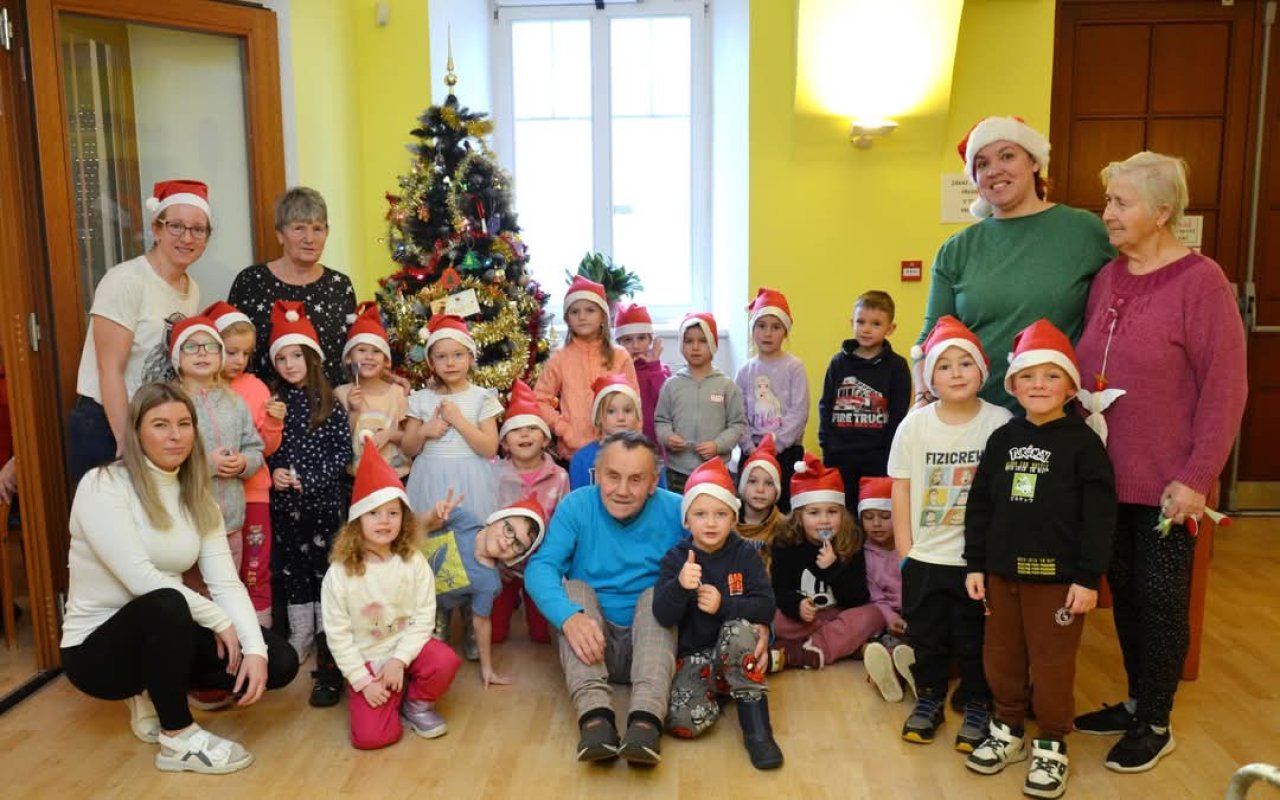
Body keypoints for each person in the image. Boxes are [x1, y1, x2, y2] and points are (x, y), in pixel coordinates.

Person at [1072, 151, 1247, 773]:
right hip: (1107, 479)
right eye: (1108, 201)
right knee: (1125, 591)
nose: (1108, 213)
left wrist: (1197, 478)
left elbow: (1225, 389)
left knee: (1162, 598)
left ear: (1163, 211)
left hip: (1170, 484)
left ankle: (1156, 721)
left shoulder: (1202, 283)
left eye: (1122, 202)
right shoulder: (1107, 277)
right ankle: (1136, 701)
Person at [60, 383, 298, 775]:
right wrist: (219, 620)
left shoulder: (197, 495)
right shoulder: (102, 485)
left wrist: (254, 649)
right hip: (97, 652)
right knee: (167, 602)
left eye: (184, 424)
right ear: (137, 432)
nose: (175, 435)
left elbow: (225, 583)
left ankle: (158, 686)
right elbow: (140, 579)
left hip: (166, 633)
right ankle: (177, 737)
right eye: (160, 424)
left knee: (280, 662)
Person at [962, 320, 1116, 798]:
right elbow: (980, 505)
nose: (1039, 385)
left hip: (1058, 582)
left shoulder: (1084, 444)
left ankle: (1051, 743)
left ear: (1070, 386)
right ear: (1012, 385)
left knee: (1052, 665)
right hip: (1000, 577)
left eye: (1051, 376)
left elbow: (1099, 517)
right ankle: (1007, 728)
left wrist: (1088, 578)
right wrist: (975, 564)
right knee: (1001, 657)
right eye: (1027, 376)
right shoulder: (1002, 439)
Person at [914, 116, 1114, 411]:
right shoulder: (956, 249)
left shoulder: (1083, 231)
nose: (994, 170)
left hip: (1056, 420)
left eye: (1007, 156)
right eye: (982, 163)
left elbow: (1121, 312)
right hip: (975, 419)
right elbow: (930, 339)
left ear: (1033, 161)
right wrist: (922, 399)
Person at [523, 431, 686, 766]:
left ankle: (645, 721)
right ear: (597, 475)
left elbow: (727, 558)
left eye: (636, 479)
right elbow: (541, 568)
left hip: (653, 645)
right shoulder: (576, 506)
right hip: (593, 644)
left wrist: (757, 625)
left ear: (654, 482)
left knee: (657, 593)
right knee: (574, 589)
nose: (622, 490)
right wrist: (569, 617)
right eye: (613, 476)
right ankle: (595, 718)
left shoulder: (678, 510)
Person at [888, 315, 1012, 751]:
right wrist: (905, 551)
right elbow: (900, 487)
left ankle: (978, 703)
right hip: (925, 557)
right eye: (944, 365)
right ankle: (929, 700)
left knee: (975, 637)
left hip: (976, 561)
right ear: (930, 376)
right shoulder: (914, 425)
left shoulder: (1000, 422)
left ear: (983, 370)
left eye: (965, 363)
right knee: (928, 637)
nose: (956, 373)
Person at [321, 437, 462, 749]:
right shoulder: (339, 574)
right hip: (367, 660)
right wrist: (362, 681)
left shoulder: (413, 562)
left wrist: (399, 660)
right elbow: (338, 635)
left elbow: (424, 618)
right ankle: (385, 695)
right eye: (373, 513)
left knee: (444, 660)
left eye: (393, 513)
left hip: (406, 650)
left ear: (404, 519)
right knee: (373, 738)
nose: (384, 521)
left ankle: (416, 703)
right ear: (357, 521)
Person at [69, 180, 212, 484]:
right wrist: (127, 442)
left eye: (198, 229)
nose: (187, 237)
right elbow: (109, 369)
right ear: (156, 229)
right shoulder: (126, 281)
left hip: (154, 424)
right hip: (107, 424)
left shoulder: (192, 290)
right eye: (176, 226)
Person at [652, 458, 783, 771]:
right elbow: (662, 615)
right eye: (700, 514)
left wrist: (724, 605)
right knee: (680, 723)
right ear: (686, 521)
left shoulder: (745, 554)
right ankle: (724, 688)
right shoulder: (676, 559)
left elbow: (766, 606)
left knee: (737, 630)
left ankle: (757, 729)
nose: (711, 523)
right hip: (696, 658)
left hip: (735, 646)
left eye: (720, 514)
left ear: (734, 517)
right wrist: (680, 586)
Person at [264, 300, 351, 707]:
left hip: (323, 505)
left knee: (325, 571)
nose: (289, 365)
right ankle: (300, 635)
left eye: (295, 356)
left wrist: (312, 479)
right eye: (281, 358)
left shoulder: (329, 404)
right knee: (293, 570)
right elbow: (266, 447)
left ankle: (326, 637)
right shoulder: (273, 403)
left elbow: (342, 453)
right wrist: (275, 472)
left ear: (311, 357)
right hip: (286, 508)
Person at [228, 186, 357, 389]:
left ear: (327, 233)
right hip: (265, 403)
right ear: (280, 234)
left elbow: (354, 350)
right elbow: (230, 348)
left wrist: (382, 379)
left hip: (330, 404)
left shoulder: (340, 285)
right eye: (299, 228)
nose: (309, 239)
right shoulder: (251, 282)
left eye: (317, 229)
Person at [170, 316, 265, 584]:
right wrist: (208, 464)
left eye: (210, 346)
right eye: (191, 347)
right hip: (189, 524)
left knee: (227, 587)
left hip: (231, 524)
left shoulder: (235, 402)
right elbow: (162, 461)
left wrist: (243, 462)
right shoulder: (170, 402)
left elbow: (255, 447)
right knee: (194, 592)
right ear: (177, 356)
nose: (202, 353)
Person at [207, 300, 284, 627]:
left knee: (254, 568)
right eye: (232, 352)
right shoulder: (201, 390)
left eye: (246, 354)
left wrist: (274, 424)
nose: (239, 360)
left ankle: (260, 635)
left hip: (253, 493)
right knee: (218, 569)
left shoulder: (255, 388)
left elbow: (266, 448)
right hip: (212, 497)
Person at [420, 492, 548, 687]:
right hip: (407, 581)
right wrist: (432, 516)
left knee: (431, 652)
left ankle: (457, 619)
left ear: (518, 557)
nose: (508, 541)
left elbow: (482, 622)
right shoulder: (464, 520)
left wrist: (487, 668)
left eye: (518, 545)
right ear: (497, 519)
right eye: (509, 529)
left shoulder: (489, 583)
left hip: (434, 605)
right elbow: (415, 527)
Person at [769, 453, 879, 671]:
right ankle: (843, 645)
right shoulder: (785, 544)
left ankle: (804, 651)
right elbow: (779, 591)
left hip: (838, 615)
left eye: (832, 512)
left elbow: (858, 599)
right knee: (774, 619)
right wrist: (797, 605)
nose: (824, 520)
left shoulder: (852, 540)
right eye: (814, 513)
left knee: (874, 616)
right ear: (799, 517)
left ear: (842, 515)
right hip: (804, 621)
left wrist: (833, 569)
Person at [401, 315, 500, 521]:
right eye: (441, 356)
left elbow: (490, 448)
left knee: (470, 532)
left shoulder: (482, 398)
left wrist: (459, 420)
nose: (450, 363)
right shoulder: (421, 399)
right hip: (430, 480)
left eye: (458, 355)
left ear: (471, 357)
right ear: (431, 362)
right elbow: (408, 449)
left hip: (471, 481)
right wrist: (424, 431)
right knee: (431, 534)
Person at [819, 290, 912, 509]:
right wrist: (827, 445)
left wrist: (888, 452)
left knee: (875, 514)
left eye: (876, 324)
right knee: (843, 512)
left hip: (878, 459)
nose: (867, 329)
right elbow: (826, 405)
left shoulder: (897, 367)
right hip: (839, 456)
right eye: (861, 322)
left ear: (890, 329)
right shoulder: (838, 363)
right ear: (852, 322)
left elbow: (899, 414)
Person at [493, 379, 568, 644]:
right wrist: (495, 560)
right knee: (495, 634)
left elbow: (564, 524)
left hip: (541, 563)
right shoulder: (495, 475)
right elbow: (486, 521)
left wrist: (553, 563)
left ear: (545, 438)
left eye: (532, 429)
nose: (524, 435)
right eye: (516, 430)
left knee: (541, 635)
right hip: (503, 564)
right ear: (504, 442)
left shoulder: (559, 477)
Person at [535, 276, 639, 462]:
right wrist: (563, 428)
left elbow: (635, 404)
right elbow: (540, 399)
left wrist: (634, 444)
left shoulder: (620, 356)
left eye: (590, 310)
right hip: (574, 454)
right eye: (575, 312)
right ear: (567, 319)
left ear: (603, 316)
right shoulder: (560, 357)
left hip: (616, 451)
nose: (582, 317)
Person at [654, 313, 747, 494]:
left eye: (703, 341)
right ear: (681, 345)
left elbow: (737, 425)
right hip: (677, 471)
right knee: (679, 511)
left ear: (713, 344)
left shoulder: (726, 386)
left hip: (716, 469)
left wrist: (717, 445)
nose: (695, 347)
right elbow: (661, 421)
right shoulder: (671, 385)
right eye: (688, 341)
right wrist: (668, 437)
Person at [735, 288, 809, 511]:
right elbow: (738, 414)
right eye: (761, 326)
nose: (768, 333)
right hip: (752, 450)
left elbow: (799, 412)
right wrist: (749, 447)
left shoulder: (794, 367)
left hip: (785, 452)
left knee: (784, 508)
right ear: (752, 330)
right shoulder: (745, 371)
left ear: (785, 332)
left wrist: (775, 446)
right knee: (750, 507)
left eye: (776, 327)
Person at [334, 302, 410, 480]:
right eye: (361, 350)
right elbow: (338, 441)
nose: (369, 357)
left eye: (376, 351)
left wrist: (389, 434)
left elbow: (411, 439)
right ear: (348, 358)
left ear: (386, 361)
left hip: (395, 478)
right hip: (357, 479)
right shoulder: (341, 394)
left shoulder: (397, 394)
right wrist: (353, 411)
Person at [857, 476, 914, 704]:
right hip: (888, 620)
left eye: (885, 516)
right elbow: (875, 596)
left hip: (916, 614)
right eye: (869, 517)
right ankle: (892, 674)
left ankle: (913, 670)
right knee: (882, 643)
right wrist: (890, 617)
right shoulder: (866, 555)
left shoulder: (910, 547)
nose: (876, 524)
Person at [569, 373, 668, 490]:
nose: (621, 417)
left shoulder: (650, 457)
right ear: (598, 418)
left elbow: (661, 498)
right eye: (611, 411)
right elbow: (578, 499)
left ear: (638, 416)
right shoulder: (582, 459)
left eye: (627, 410)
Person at [613, 302, 670, 449]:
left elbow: (666, 401)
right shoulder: (614, 370)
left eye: (641, 338)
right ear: (618, 343)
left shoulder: (661, 369)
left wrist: (654, 366)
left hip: (654, 442)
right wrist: (625, 368)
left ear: (650, 340)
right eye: (628, 340)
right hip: (623, 441)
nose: (636, 346)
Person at [735, 433, 785, 570]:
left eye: (769, 483)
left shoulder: (785, 529)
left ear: (777, 490)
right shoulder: (727, 522)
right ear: (743, 485)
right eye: (752, 481)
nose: (760, 489)